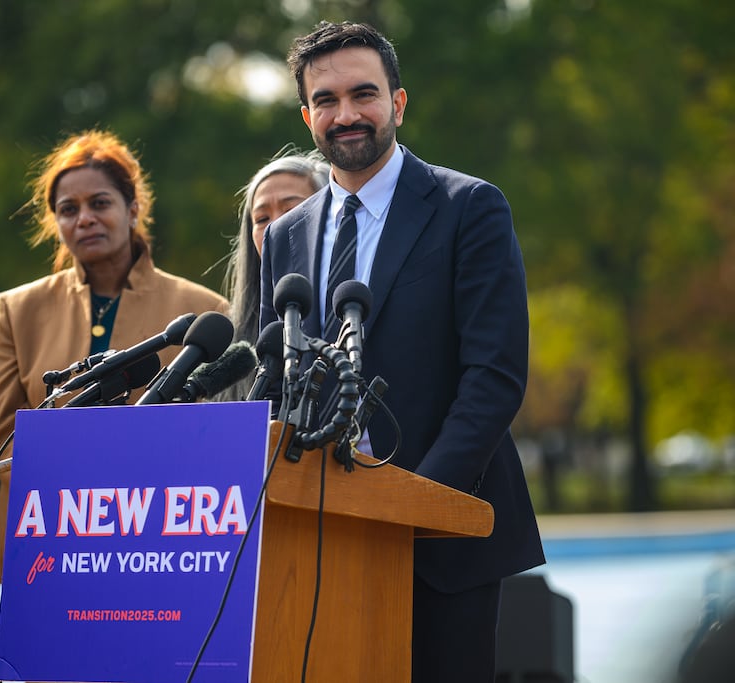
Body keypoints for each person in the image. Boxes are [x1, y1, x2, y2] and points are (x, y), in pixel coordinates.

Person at [259, 21, 545, 682]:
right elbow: (277, 381)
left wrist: (412, 506)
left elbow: (494, 375)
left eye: (364, 93)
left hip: (439, 544)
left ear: (399, 102)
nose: (347, 113)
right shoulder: (286, 237)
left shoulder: (469, 206)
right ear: (307, 116)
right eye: (326, 100)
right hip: (317, 542)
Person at [0, 129, 229, 583]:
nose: (85, 218)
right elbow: (3, 441)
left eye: (100, 203)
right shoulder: (17, 310)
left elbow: (213, 438)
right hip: (43, 543)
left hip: (159, 542)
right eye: (68, 210)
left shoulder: (203, 311)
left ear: (133, 210)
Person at [218, 147, 329, 402]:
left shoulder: (351, 313)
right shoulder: (229, 341)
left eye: (293, 211)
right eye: (262, 218)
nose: (276, 227)